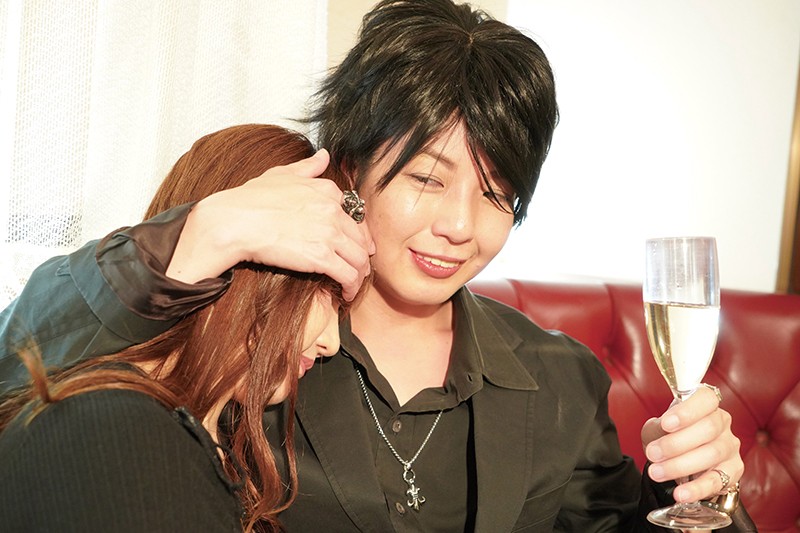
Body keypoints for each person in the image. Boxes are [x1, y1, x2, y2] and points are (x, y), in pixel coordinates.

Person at [0, 0, 753, 531]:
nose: (460, 226)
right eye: (427, 178)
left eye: (497, 194)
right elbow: (24, 368)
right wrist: (201, 235)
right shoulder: (256, 343)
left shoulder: (561, 378)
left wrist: (705, 496)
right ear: (351, 167)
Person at [0, 124, 354, 532]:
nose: (331, 342)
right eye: (326, 291)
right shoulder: (119, 441)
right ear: (254, 268)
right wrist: (212, 234)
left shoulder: (201, 449)